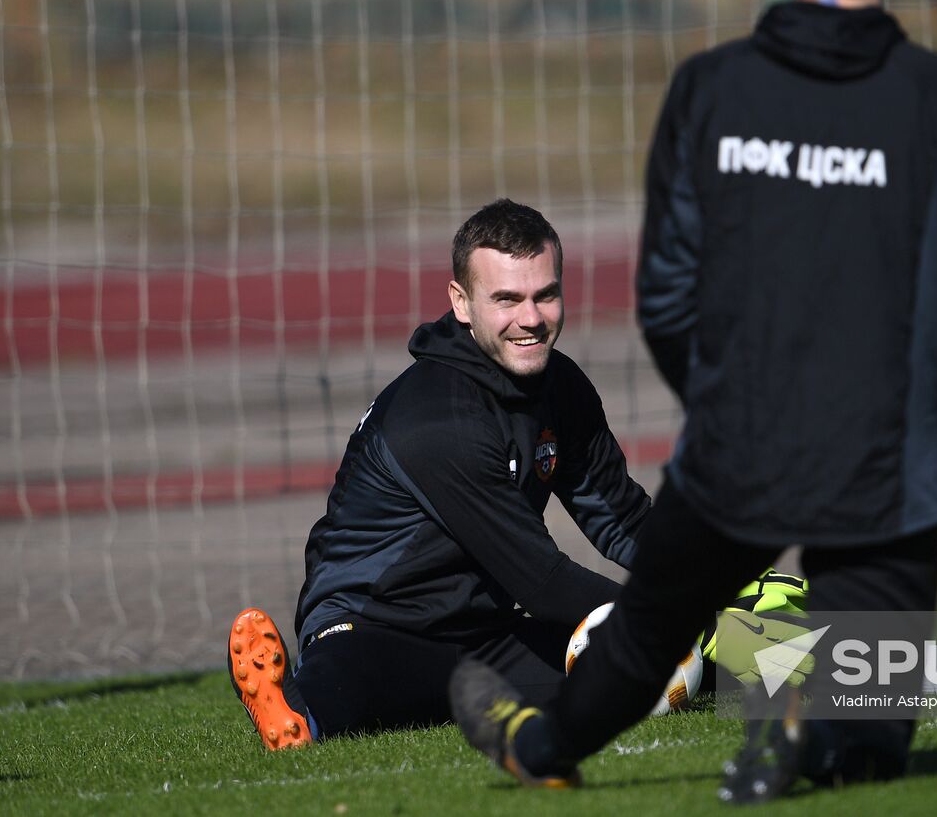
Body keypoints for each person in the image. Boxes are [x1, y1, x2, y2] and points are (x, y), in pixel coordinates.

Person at [450, 0, 937, 802]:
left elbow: (666, 295)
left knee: (648, 636)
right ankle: (806, 728)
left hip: (737, 450)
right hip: (885, 466)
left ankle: (541, 745)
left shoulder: (710, 87)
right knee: (873, 733)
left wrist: (732, 404)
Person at [227, 199, 655, 749]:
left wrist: (716, 579)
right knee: (352, 687)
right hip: (375, 624)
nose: (531, 318)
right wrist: (663, 617)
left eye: (545, 295)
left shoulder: (562, 387)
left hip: (484, 635)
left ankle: (798, 674)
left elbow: (622, 518)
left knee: (668, 666)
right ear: (462, 303)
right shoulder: (436, 418)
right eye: (506, 299)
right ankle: (293, 708)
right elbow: (543, 582)